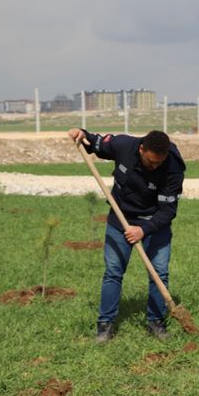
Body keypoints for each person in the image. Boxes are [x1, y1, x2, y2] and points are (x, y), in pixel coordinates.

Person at [68, 128, 185, 343]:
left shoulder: (173, 168)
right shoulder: (124, 145)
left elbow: (168, 211)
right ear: (141, 149)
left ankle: (156, 323)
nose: (155, 166)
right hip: (120, 219)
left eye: (159, 162)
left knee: (159, 273)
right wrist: (81, 133)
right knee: (113, 272)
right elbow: (95, 143)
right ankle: (105, 325)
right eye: (151, 161)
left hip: (154, 223)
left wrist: (143, 229)